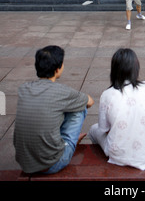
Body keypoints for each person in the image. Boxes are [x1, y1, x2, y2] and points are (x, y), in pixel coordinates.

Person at [13, 45, 94, 174]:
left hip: (24, 162)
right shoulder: (62, 92)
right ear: (58, 69)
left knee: (50, 109)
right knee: (80, 107)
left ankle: (63, 140)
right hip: (51, 164)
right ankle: (69, 141)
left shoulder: (24, 88)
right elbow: (90, 102)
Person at [88, 48, 145, 170]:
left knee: (94, 129)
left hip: (117, 154)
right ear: (136, 68)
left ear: (114, 70)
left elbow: (104, 128)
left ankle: (102, 164)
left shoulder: (107, 94)